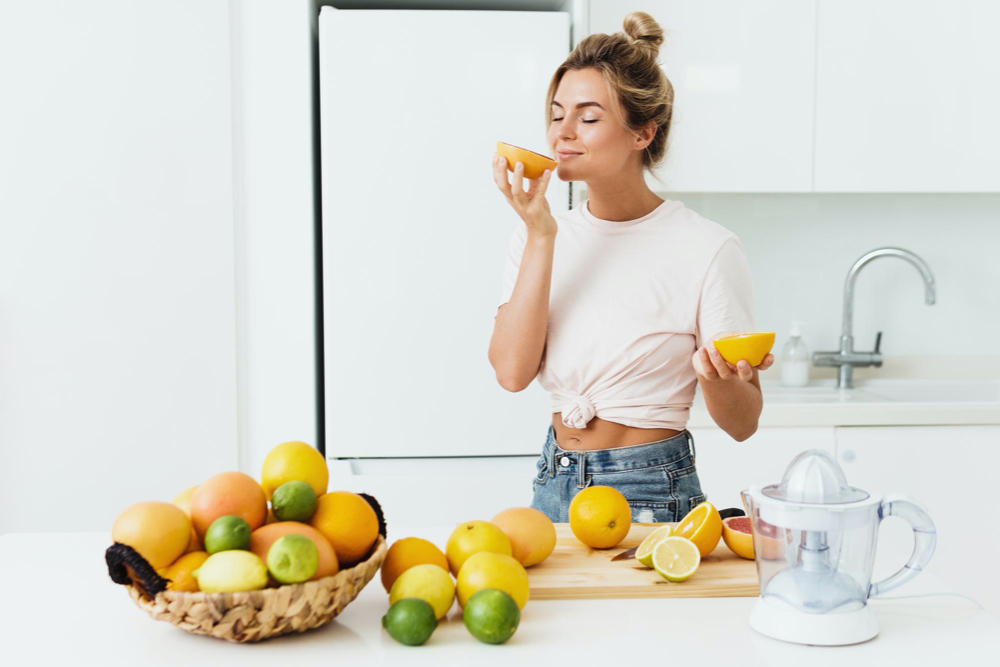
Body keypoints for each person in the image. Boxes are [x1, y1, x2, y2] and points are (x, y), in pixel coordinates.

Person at [487, 11, 774, 524]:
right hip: (553, 479)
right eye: (556, 114)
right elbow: (511, 373)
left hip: (651, 490)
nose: (562, 133)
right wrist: (541, 235)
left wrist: (719, 379)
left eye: (588, 117)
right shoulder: (541, 235)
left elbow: (743, 424)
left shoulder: (706, 248)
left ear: (642, 133)